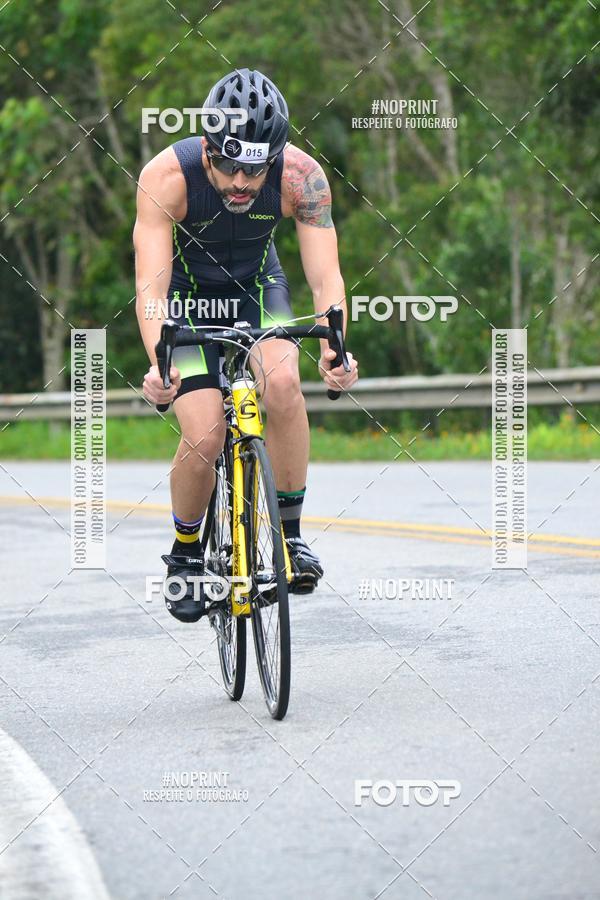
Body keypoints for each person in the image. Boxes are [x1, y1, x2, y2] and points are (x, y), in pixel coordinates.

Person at [135, 68, 358, 622]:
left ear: (274, 157)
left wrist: (337, 345)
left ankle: (291, 537)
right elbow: (152, 288)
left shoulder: (302, 178)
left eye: (254, 169)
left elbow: (326, 279)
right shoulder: (166, 177)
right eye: (228, 165)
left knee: (282, 384)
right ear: (206, 148)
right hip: (184, 301)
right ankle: (186, 555)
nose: (240, 181)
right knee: (206, 429)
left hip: (258, 288)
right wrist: (159, 363)